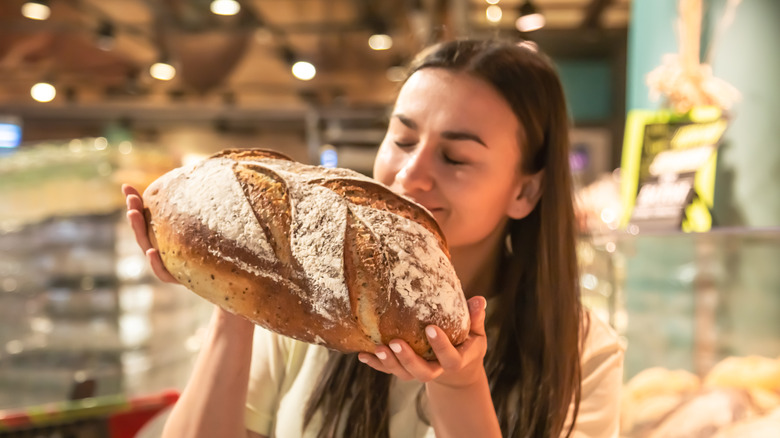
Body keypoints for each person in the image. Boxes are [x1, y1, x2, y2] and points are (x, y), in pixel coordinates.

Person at [122, 38, 624, 438]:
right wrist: (234, 293)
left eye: (455, 158)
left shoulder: (583, 353)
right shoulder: (306, 301)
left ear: (527, 190)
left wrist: (459, 383)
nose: (410, 175)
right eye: (402, 139)